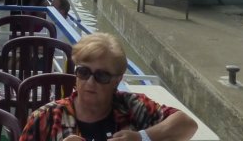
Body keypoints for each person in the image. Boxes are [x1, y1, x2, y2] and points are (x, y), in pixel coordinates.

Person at [19, 32, 198, 141]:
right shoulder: (47, 118)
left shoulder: (132, 107)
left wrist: (141, 137)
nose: (90, 81)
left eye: (101, 76)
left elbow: (187, 125)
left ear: (117, 80)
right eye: (83, 72)